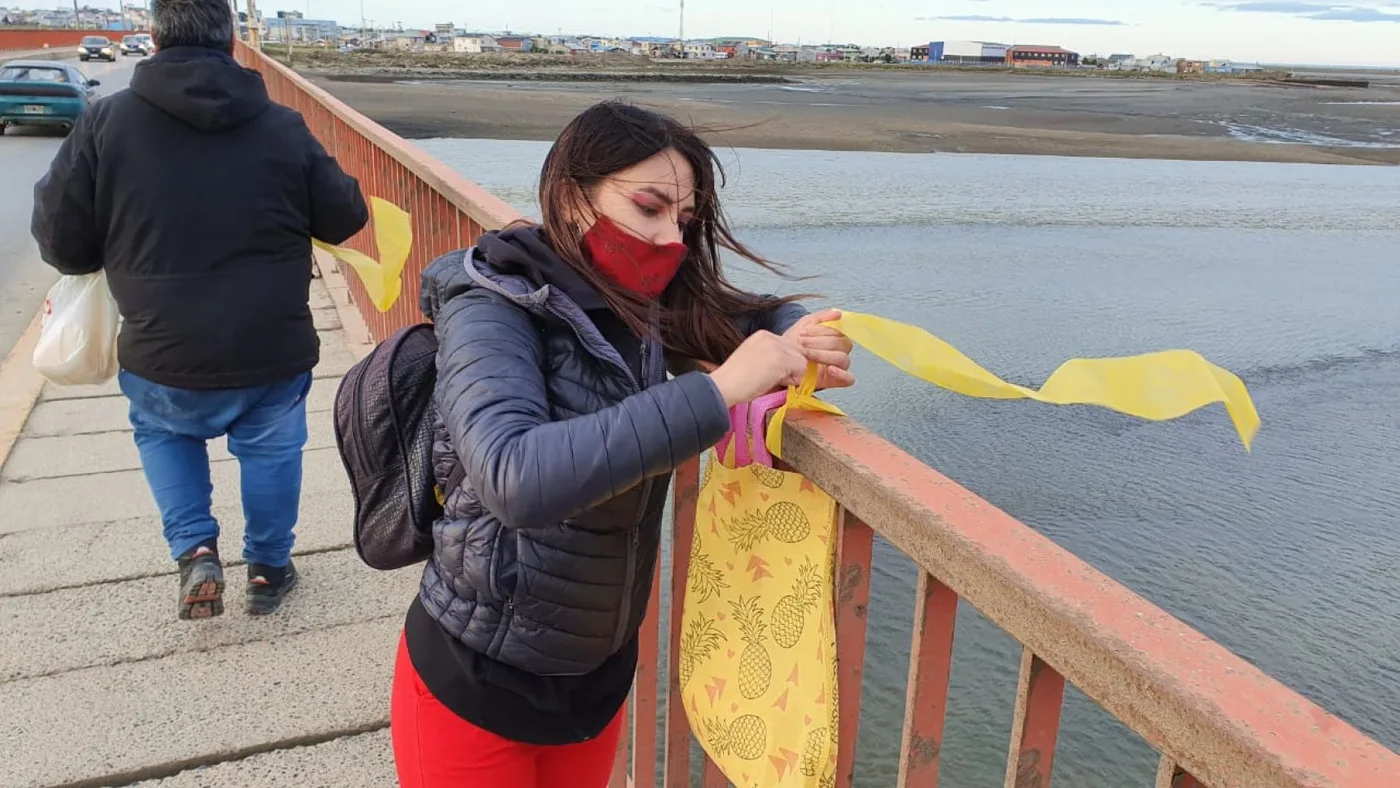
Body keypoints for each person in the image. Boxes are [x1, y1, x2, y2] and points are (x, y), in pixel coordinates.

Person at [394, 100, 856, 787]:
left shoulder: (645, 296)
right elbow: (514, 476)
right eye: (648, 207)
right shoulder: (490, 302)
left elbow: (747, 313)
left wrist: (802, 330)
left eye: (686, 219)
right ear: (573, 197)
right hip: (476, 680)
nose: (671, 237)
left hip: (595, 684)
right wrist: (719, 392)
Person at [30, 0, 368, 620]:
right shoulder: (283, 126)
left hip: (160, 343)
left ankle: (196, 553)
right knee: (272, 449)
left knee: (163, 431)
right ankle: (267, 571)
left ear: (154, 38)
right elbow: (345, 216)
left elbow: (60, 241)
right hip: (271, 342)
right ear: (233, 41)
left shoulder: (106, 123)